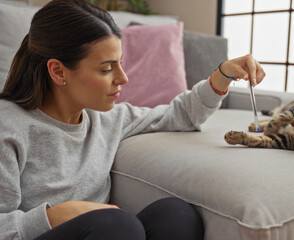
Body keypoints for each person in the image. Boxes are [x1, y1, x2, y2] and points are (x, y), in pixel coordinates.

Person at [0, 0, 265, 239]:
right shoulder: (8, 126)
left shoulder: (109, 120)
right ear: (58, 71)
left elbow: (181, 114)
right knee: (116, 226)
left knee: (175, 215)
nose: (123, 78)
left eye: (119, 64)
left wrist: (223, 75)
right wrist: (59, 214)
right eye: (107, 68)